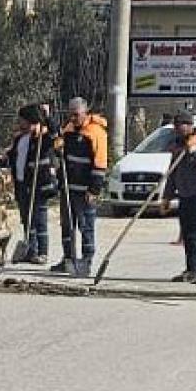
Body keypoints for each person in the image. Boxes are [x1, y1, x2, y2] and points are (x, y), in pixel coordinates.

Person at [51, 97, 108, 276]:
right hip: (68, 188)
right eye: (70, 115)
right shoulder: (68, 129)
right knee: (67, 226)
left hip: (85, 191)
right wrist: (57, 148)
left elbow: (100, 163)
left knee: (86, 227)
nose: (73, 118)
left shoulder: (96, 132)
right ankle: (68, 258)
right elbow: (60, 149)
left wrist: (94, 190)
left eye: (76, 115)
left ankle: (86, 260)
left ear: (85, 112)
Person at [162, 112, 196, 283]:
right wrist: (167, 196)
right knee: (188, 234)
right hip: (184, 194)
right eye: (175, 127)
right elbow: (172, 172)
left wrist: (194, 152)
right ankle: (191, 269)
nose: (177, 130)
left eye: (179, 127)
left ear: (189, 125)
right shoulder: (177, 143)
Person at [5, 104, 58, 265]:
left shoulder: (43, 138)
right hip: (22, 185)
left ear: (30, 121)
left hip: (39, 186)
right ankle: (30, 249)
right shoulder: (20, 138)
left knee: (39, 219)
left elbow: (56, 133)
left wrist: (47, 116)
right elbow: (14, 157)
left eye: (22, 120)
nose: (20, 123)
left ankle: (42, 252)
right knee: (27, 220)